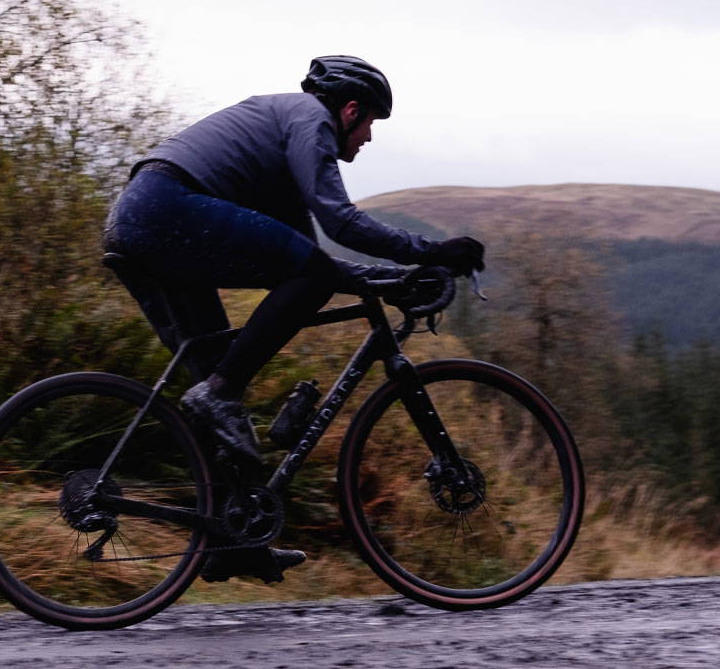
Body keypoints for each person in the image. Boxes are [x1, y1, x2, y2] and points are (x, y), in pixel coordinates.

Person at [102, 55, 485, 582]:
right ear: (349, 110)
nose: (368, 137)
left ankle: (232, 544)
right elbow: (339, 224)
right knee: (231, 376)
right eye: (371, 122)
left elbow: (313, 254)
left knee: (221, 387)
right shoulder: (311, 120)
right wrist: (430, 251)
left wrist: (395, 281)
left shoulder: (282, 145)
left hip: (141, 220)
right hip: (167, 209)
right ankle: (217, 397)